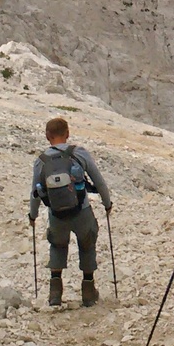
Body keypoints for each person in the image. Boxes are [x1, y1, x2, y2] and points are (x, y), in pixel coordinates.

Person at [29, 117, 112, 307]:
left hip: (56, 214)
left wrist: (32, 215)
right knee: (87, 243)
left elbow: (35, 191)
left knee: (57, 245)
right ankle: (88, 292)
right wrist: (107, 203)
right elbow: (98, 181)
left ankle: (55, 292)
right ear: (68, 133)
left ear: (47, 136)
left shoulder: (41, 161)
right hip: (81, 210)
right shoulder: (79, 153)